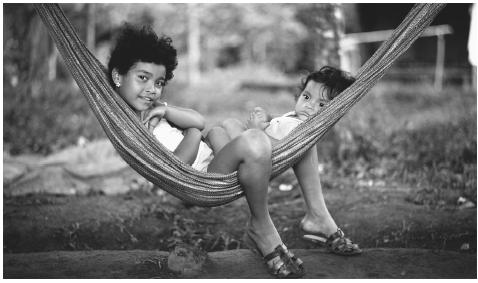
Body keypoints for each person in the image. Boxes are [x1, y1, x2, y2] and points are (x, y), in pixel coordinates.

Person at [108, 24, 304, 278]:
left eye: (159, 82)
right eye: (142, 78)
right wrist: (191, 134)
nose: (152, 89)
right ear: (117, 77)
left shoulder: (153, 108)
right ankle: (262, 223)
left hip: (212, 153)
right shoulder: (133, 131)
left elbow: (199, 120)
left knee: (233, 129)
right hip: (203, 174)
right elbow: (177, 165)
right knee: (253, 139)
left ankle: (275, 159)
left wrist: (166, 111)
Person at [206, 66, 362, 256]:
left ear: (332, 112)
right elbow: (279, 131)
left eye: (321, 105)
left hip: (243, 163)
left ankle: (318, 216)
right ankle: (318, 215)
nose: (309, 106)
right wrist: (267, 119)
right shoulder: (297, 120)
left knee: (225, 128)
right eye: (306, 97)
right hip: (231, 159)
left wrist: (257, 130)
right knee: (227, 126)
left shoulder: (302, 129)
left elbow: (274, 149)